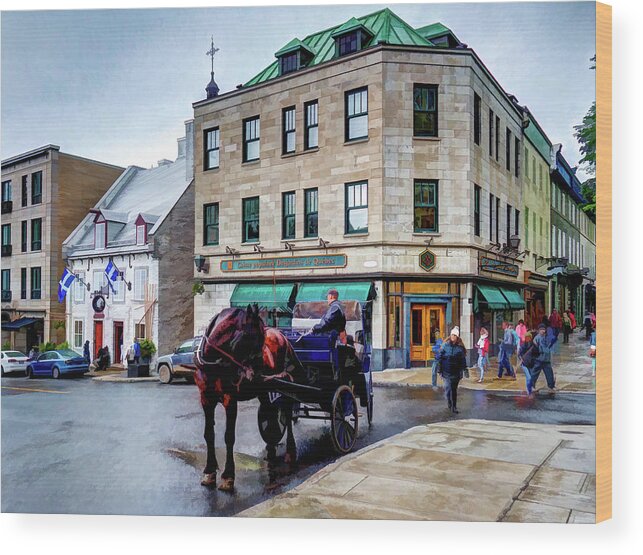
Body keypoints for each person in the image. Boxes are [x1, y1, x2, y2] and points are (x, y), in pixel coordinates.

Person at [436, 326, 467, 414]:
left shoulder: (460, 348)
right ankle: (449, 403)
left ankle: (454, 407)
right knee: (447, 389)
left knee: (454, 390)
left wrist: (464, 369)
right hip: (446, 372)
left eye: (455, 335)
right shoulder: (445, 346)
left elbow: (462, 360)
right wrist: (439, 369)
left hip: (456, 372)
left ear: (457, 337)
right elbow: (439, 357)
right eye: (452, 335)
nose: (453, 337)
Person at [531, 323, 556, 392]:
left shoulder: (547, 337)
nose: (543, 331)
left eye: (544, 329)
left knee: (549, 374)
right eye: (541, 329)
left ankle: (551, 387)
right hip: (538, 359)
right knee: (534, 374)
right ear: (538, 330)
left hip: (546, 359)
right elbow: (535, 348)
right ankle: (531, 386)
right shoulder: (537, 338)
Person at [518, 331, 539, 397]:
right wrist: (521, 359)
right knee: (529, 378)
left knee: (529, 378)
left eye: (528, 337)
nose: (527, 339)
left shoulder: (534, 345)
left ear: (530, 338)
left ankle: (529, 391)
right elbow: (519, 354)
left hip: (531, 363)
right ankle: (529, 391)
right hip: (524, 364)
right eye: (526, 337)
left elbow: (537, 354)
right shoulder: (523, 345)